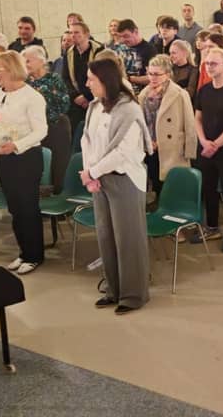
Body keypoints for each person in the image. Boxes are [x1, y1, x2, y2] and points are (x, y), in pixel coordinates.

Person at [80, 58, 151, 315]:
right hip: (99, 179)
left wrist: (92, 172)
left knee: (128, 239)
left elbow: (123, 152)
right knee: (106, 236)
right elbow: (86, 140)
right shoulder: (95, 107)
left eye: (91, 79)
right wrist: (89, 172)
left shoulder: (129, 109)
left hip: (124, 180)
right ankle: (113, 289)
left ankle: (133, 294)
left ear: (106, 81)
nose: (87, 83)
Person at [0, 51, 48, 275]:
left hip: (26, 157)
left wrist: (15, 145)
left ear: (12, 69)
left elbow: (41, 131)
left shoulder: (32, 97)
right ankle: (24, 252)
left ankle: (34, 255)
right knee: (14, 207)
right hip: (3, 156)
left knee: (27, 207)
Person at [194, 47, 223, 252]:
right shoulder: (204, 90)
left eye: (213, 63)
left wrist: (215, 145)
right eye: (207, 63)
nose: (209, 66)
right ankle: (212, 227)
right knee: (208, 189)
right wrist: (204, 141)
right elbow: (197, 118)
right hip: (206, 147)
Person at [138, 54, 196, 204]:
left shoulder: (180, 94)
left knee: (171, 187)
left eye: (157, 74)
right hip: (150, 146)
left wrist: (190, 151)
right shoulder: (143, 94)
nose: (153, 78)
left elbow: (190, 124)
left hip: (172, 147)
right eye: (150, 73)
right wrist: (147, 141)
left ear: (168, 74)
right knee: (155, 181)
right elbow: (141, 122)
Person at [23, 46, 71, 194]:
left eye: (28, 61)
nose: (25, 64)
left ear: (41, 61)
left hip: (56, 126)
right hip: (34, 128)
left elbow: (64, 104)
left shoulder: (54, 79)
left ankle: (58, 192)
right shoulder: (25, 82)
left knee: (58, 162)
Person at [62, 21, 105, 133]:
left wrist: (86, 96)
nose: (73, 35)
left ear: (87, 34)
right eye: (71, 32)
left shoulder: (99, 50)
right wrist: (76, 96)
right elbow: (65, 78)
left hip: (95, 97)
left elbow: (101, 76)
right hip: (76, 99)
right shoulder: (69, 53)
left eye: (76, 32)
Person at [114, 19, 156, 93]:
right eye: (120, 37)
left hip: (142, 94)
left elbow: (153, 78)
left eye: (126, 36)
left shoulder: (149, 50)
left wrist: (130, 79)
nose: (123, 40)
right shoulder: (119, 49)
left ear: (136, 32)